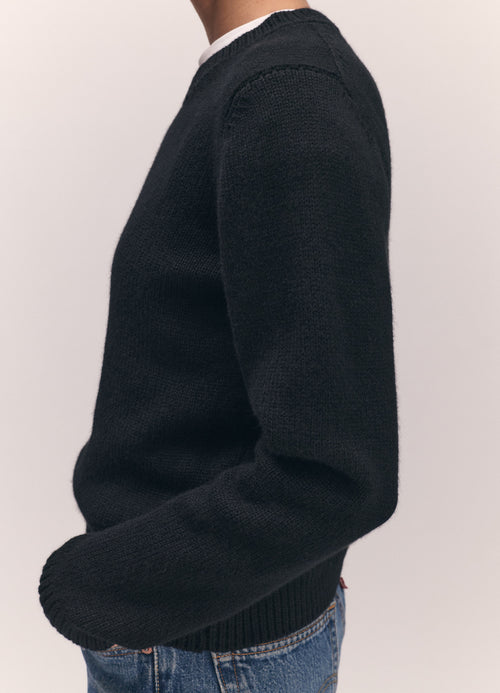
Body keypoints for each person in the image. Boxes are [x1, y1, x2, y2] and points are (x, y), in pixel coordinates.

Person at [38, 2, 398, 691]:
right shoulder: (264, 76)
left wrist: (96, 584)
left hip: (203, 653)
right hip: (206, 637)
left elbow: (336, 474)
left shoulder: (287, 93)